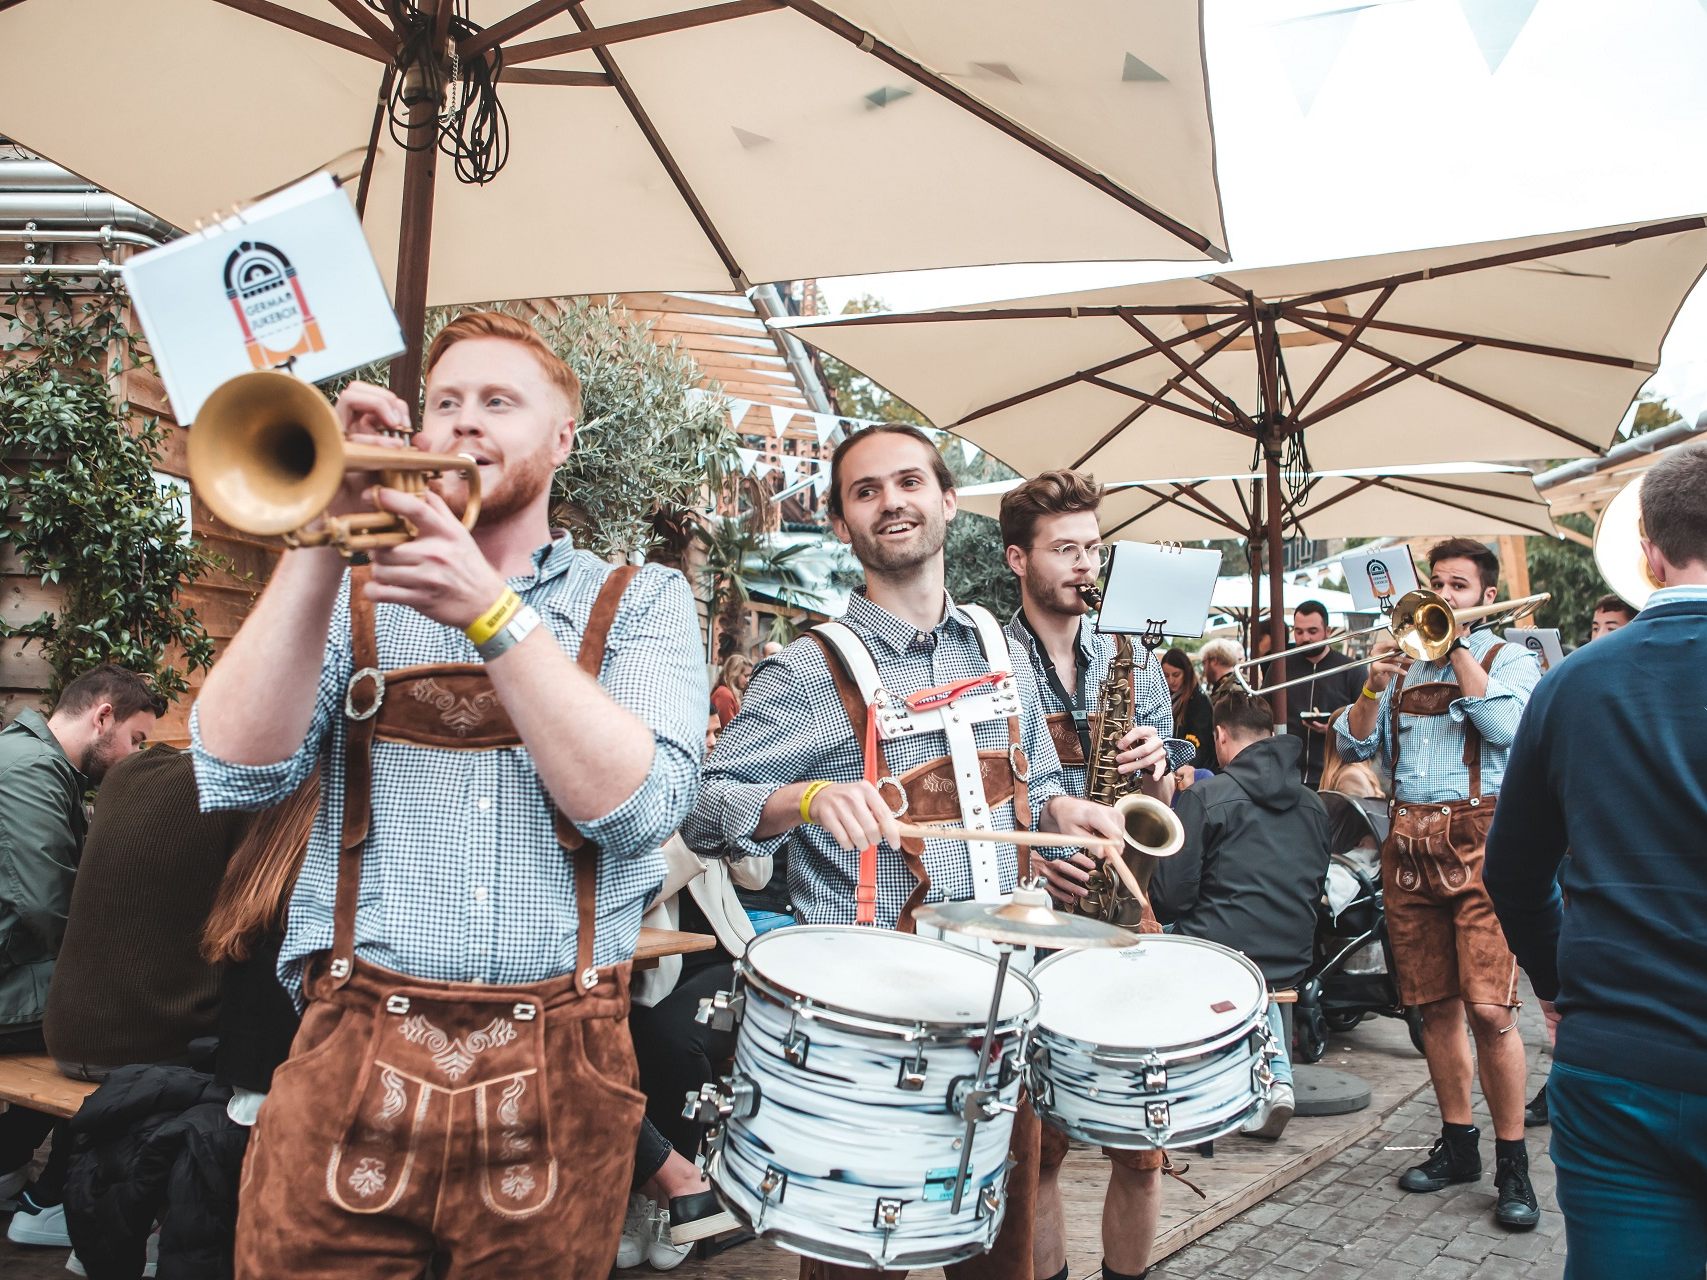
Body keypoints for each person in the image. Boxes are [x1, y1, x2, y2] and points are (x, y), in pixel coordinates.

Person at [190, 310, 707, 1278]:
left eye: (499, 401)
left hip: (562, 1070)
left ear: (563, 439)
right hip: (348, 1052)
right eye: (445, 402)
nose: (464, 421)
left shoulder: (640, 600)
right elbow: (233, 769)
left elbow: (639, 810)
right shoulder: (348, 590)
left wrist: (492, 613)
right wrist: (322, 533)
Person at [684, 426, 1133, 1280]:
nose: (890, 501)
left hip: (998, 1005)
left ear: (947, 501)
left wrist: (1062, 807)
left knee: (999, 1255)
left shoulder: (1000, 649)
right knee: (859, 1263)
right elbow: (703, 808)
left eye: (907, 482)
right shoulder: (807, 671)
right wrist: (805, 798)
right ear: (841, 523)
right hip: (865, 1024)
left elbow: (1034, 780)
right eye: (865, 491)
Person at [1486, 444, 1707, 1277]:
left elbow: (1512, 872)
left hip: (1615, 1060)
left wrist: (1553, 986)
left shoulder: (1570, 683)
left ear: (1648, 550)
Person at [994, 468, 1184, 1280]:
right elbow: (981, 788)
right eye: (1064, 549)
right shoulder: (990, 656)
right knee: (1036, 1149)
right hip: (1031, 922)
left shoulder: (1129, 654)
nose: (1084, 565)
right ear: (1017, 559)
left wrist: (1158, 762)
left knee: (1142, 1144)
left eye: (1093, 548)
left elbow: (1164, 795)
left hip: (1123, 912)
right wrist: (1034, 846)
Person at [1333, 537, 1543, 1232]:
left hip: (1480, 849)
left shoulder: (1508, 658)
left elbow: (1505, 727)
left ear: (1486, 597)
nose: (1445, 595)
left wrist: (1454, 648)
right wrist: (1372, 683)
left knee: (1490, 1011)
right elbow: (1352, 745)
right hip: (1408, 850)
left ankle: (1513, 1162)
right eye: (1438, 585)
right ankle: (1458, 1145)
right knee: (1433, 1008)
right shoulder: (1398, 663)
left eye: (1458, 586)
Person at [0, 664, 160, 1242]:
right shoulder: (30, 771)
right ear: (103, 716)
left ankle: (7, 1162)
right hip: (8, 980)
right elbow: (47, 909)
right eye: (135, 740)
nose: (133, 756)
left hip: (14, 967)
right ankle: (54, 1201)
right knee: (122, 1021)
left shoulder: (32, 761)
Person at [1150, 687, 1331, 1140]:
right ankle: (1275, 1079)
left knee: (1151, 936)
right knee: (1247, 960)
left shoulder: (1207, 796)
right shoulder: (1314, 803)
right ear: (1270, 733)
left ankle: (1189, 1087)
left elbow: (1170, 897)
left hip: (1223, 952)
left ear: (1220, 735)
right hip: (1293, 954)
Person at [621, 835, 765, 1270]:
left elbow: (757, 877)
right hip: (651, 969)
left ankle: (673, 1187)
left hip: (728, 964)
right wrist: (690, 839)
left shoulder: (706, 805)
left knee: (671, 1035)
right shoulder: (633, 814)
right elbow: (630, 893)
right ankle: (648, 1188)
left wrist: (727, 824)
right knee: (631, 1035)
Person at [1283, 601, 1361, 788]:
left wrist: (1333, 731)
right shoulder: (1281, 667)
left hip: (1335, 776)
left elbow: (1365, 723)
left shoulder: (1351, 669)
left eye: (1312, 631)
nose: (1305, 638)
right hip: (1287, 775)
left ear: (1327, 631)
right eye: (1299, 632)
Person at [1160, 647, 1217, 774]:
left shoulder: (1199, 701)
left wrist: (1182, 766)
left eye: (1176, 675)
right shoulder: (1165, 699)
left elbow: (1199, 743)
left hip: (1194, 769)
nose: (1171, 680)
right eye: (1166, 675)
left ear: (1187, 673)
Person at [710, 653, 751, 730]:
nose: (748, 680)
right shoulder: (724, 694)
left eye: (749, 676)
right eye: (745, 676)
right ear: (734, 674)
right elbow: (729, 729)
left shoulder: (731, 693)